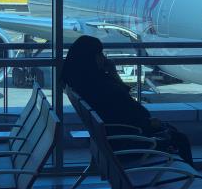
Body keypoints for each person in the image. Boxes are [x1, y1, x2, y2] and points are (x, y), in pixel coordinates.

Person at [62, 35, 194, 165]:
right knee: (180, 139)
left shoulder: (83, 84)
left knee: (173, 133)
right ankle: (191, 182)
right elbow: (131, 107)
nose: (104, 58)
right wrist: (150, 123)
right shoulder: (102, 86)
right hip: (128, 143)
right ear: (93, 58)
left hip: (113, 140)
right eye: (100, 54)